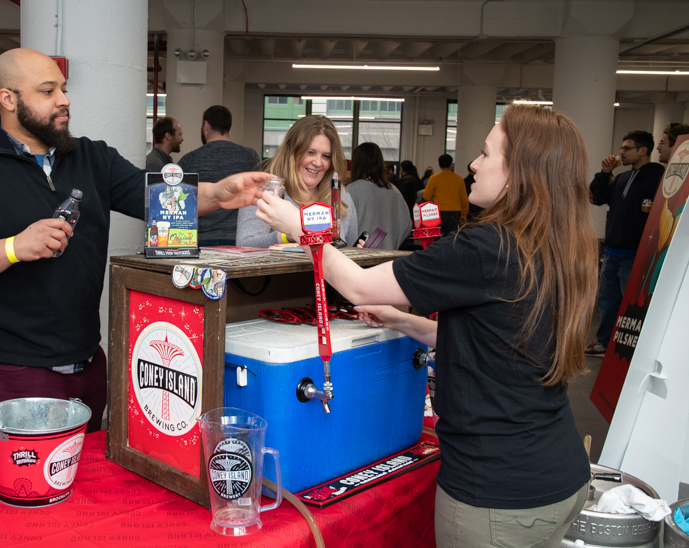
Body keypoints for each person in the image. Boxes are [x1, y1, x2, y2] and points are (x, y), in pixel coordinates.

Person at [256, 104, 594, 548]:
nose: (472, 164)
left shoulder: (484, 247)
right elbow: (489, 342)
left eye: (486, 154)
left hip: (496, 494)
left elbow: (358, 286)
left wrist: (301, 228)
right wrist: (399, 319)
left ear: (520, 174)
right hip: (561, 477)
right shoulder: (557, 246)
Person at [0, 48, 269, 458]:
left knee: (85, 493)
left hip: (85, 362)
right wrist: (13, 247)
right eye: (47, 91)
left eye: (62, 89)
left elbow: (155, 197)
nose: (64, 99)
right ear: (8, 99)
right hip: (6, 369)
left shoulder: (91, 157)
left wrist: (220, 195)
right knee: (27, 504)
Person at [586, 130, 664, 356]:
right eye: (621, 148)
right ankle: (604, 343)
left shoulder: (657, 176)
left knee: (634, 305)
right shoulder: (621, 178)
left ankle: (633, 349)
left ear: (643, 150)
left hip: (636, 253)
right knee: (607, 301)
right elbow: (597, 198)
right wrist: (604, 172)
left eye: (627, 148)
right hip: (611, 252)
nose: (621, 153)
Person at [236, 115, 357, 247]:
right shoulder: (264, 190)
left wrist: (358, 251)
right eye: (310, 152)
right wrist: (289, 234)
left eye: (325, 156)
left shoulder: (339, 196)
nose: (317, 163)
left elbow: (348, 251)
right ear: (291, 152)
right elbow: (245, 245)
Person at [177, 105, 261, 246]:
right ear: (229, 126)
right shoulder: (250, 156)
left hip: (199, 238)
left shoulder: (189, 160)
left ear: (206, 125)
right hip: (239, 239)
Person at [346, 142, 411, 249]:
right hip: (387, 259)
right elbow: (406, 226)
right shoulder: (394, 191)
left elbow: (341, 228)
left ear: (356, 164)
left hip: (357, 260)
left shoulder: (351, 190)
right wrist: (391, 243)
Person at [424, 153, 469, 236]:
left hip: (438, 212)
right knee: (450, 238)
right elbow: (464, 199)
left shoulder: (434, 178)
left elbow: (426, 196)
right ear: (451, 165)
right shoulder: (459, 179)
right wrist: (463, 214)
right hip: (454, 213)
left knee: (435, 237)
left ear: (439, 165)